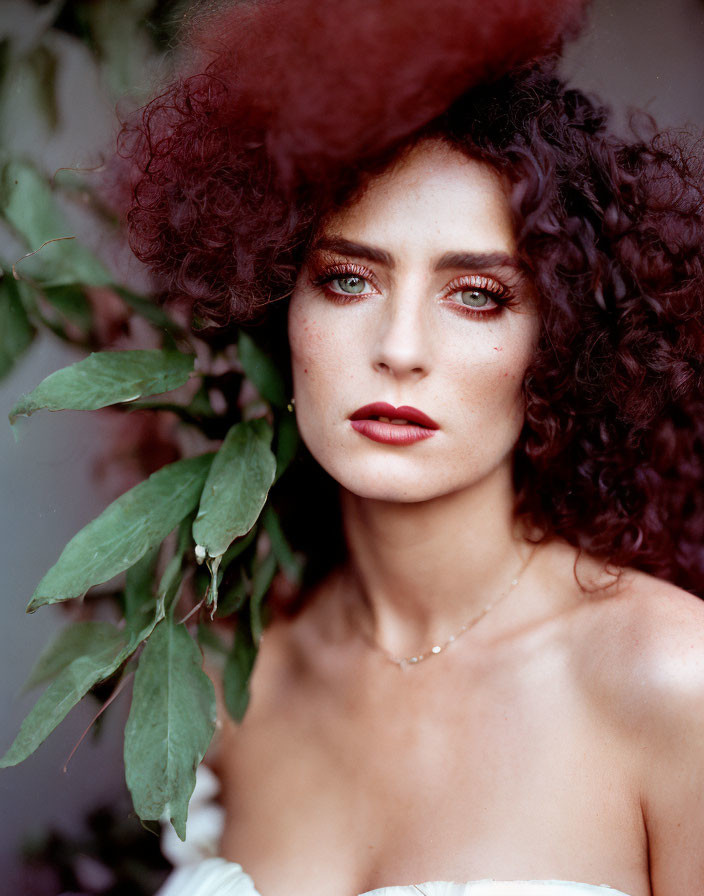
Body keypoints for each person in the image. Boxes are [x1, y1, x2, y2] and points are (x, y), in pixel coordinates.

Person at [119, 2, 704, 894]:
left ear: (561, 339)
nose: (398, 347)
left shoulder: (672, 681)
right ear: (279, 305)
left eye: (477, 295)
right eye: (347, 279)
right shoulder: (235, 686)